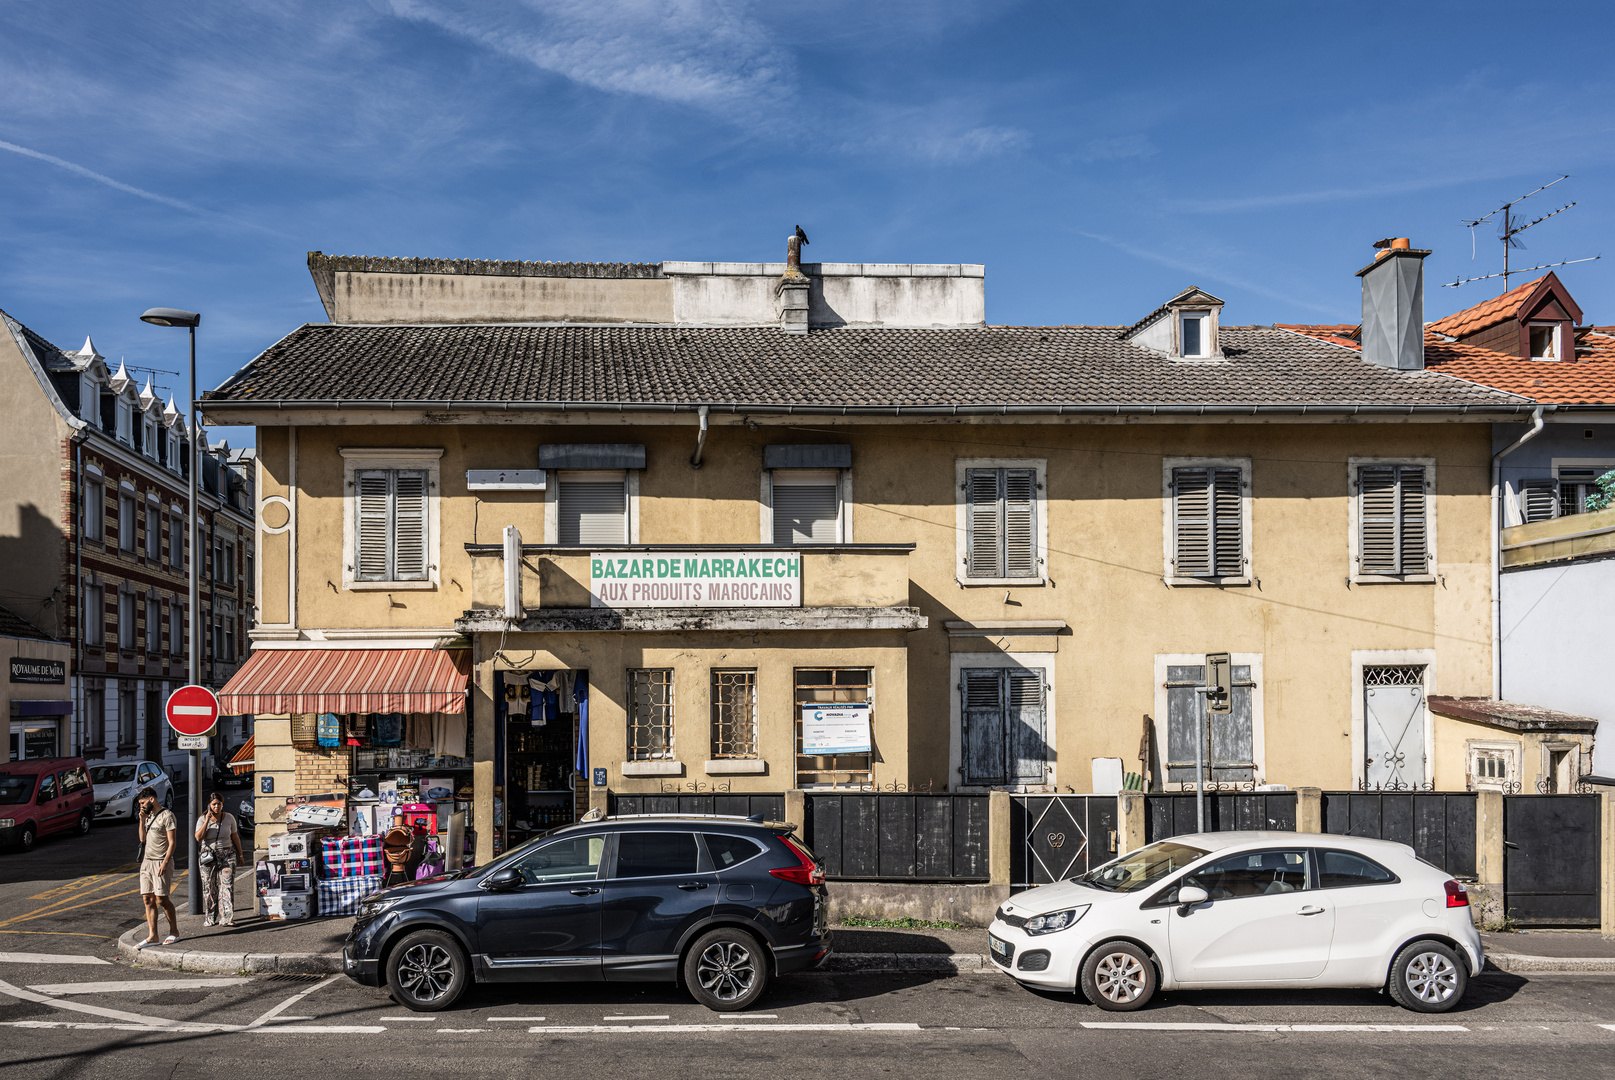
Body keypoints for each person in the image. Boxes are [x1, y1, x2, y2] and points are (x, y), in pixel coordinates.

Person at [135, 787, 179, 947]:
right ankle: (153, 936)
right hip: (147, 861)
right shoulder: (148, 816)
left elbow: (172, 842)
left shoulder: (167, 816)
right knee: (147, 898)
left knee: (162, 899)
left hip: (161, 861)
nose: (141, 806)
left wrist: (165, 863)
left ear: (151, 799)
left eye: (142, 803)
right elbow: (142, 839)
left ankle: (174, 932)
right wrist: (141, 820)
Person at [194, 791, 244, 926]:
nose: (217, 807)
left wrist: (240, 854)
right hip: (208, 857)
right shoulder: (202, 819)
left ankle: (227, 917)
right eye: (214, 804)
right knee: (209, 888)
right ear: (209, 805)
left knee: (227, 886)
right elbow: (198, 838)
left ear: (222, 805)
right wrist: (206, 821)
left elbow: (235, 837)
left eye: (219, 804)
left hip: (227, 854)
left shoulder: (229, 818)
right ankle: (210, 916)